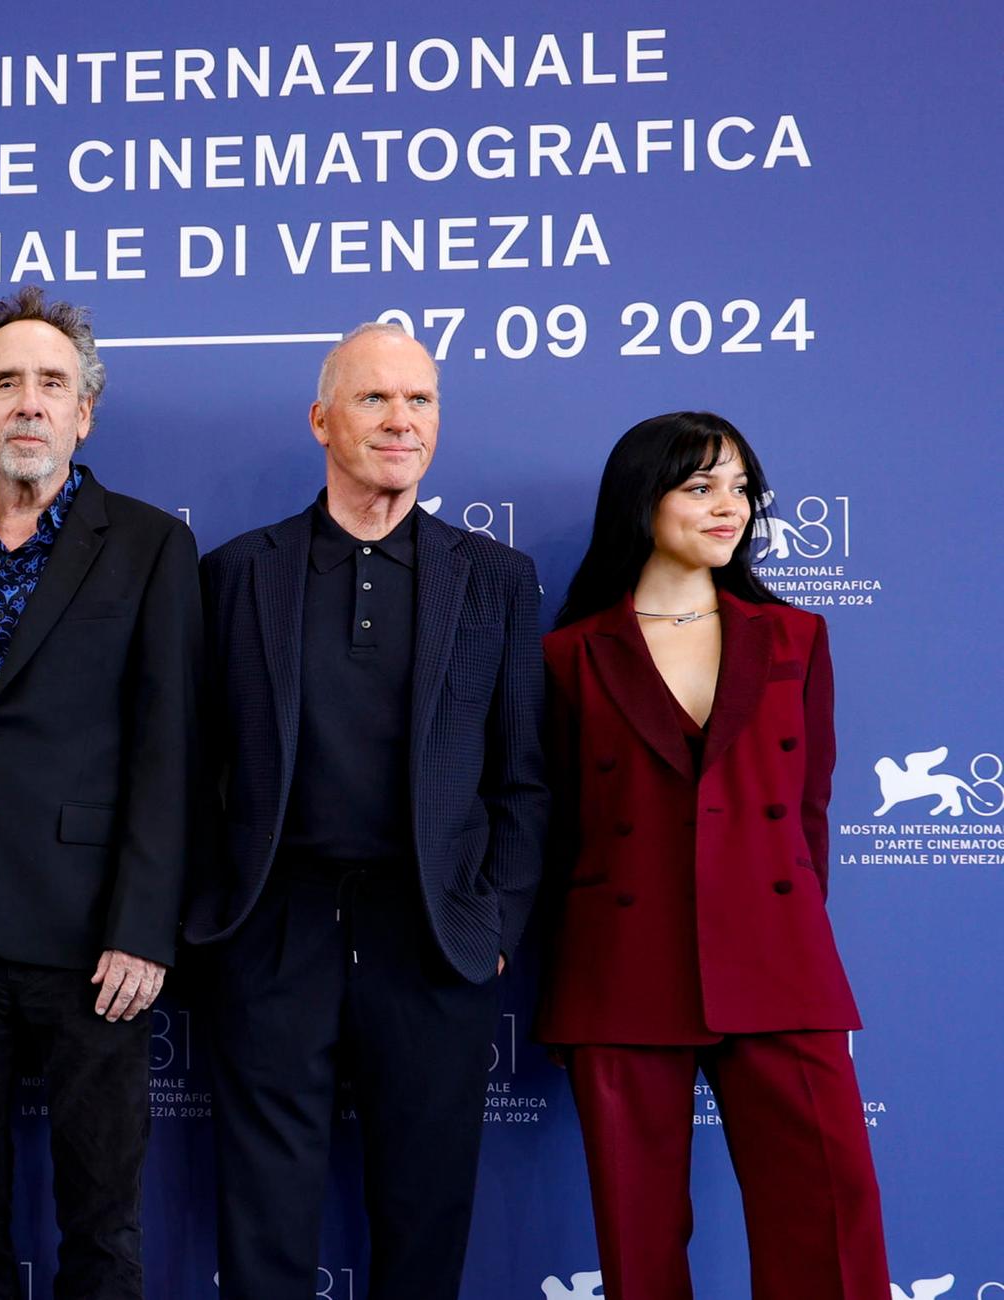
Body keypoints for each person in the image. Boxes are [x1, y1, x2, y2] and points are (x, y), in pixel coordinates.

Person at [186, 322, 547, 1300]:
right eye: (372, 398)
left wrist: (495, 922)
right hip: (271, 926)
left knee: (423, 1226)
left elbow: (520, 778)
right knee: (260, 1225)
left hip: (430, 933)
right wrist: (213, 919)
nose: (399, 420)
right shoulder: (232, 576)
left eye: (418, 400)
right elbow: (189, 768)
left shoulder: (496, 582)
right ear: (320, 419)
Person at [0, 285, 202, 1298]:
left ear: (83, 411)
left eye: (50, 384)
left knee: (100, 1215)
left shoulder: (150, 545)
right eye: (3, 383)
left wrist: (143, 927)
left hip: (91, 933)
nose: (27, 402)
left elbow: (169, 749)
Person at [540, 412, 888, 1299]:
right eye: (701, 486)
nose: (728, 506)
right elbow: (554, 825)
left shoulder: (795, 639)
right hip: (620, 969)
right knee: (638, 1240)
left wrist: (792, 934)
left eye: (740, 488)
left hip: (778, 960)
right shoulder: (570, 656)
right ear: (640, 500)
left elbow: (809, 818)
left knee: (829, 1217)